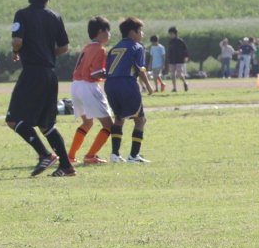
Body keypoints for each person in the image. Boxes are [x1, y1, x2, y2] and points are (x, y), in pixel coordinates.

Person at [4, 0, 76, 177]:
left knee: (13, 118)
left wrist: (15, 51)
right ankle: (66, 166)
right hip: (50, 74)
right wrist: (47, 54)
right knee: (46, 124)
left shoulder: (23, 14)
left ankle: (45, 154)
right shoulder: (55, 17)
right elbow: (64, 47)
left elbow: (17, 41)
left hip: (32, 72)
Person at [104, 17, 156, 163]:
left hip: (110, 85)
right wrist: (148, 85)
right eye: (140, 31)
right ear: (132, 33)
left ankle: (115, 155)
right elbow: (140, 69)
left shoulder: (114, 48)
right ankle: (134, 156)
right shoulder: (137, 47)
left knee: (119, 118)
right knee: (141, 120)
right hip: (126, 84)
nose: (142, 34)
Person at [67, 17, 115, 165]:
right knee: (109, 125)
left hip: (75, 86)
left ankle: (70, 156)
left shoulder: (86, 47)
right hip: (88, 86)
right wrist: (112, 74)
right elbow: (95, 73)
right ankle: (90, 156)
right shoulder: (100, 49)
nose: (109, 35)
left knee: (87, 122)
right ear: (100, 32)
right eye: (108, 31)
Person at [167, 27, 189, 92]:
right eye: (170, 34)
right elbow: (170, 52)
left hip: (179, 60)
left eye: (172, 33)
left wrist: (185, 56)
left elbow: (185, 49)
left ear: (175, 34)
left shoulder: (180, 41)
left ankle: (185, 83)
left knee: (179, 74)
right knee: (172, 75)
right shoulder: (170, 42)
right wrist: (169, 61)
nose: (171, 35)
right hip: (172, 60)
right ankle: (174, 88)